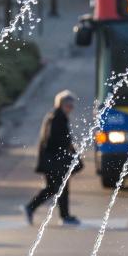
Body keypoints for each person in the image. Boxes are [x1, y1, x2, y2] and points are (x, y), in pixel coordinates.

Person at [26, 90, 82, 225]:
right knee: (61, 186)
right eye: (70, 105)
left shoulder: (57, 116)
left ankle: (30, 207)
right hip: (53, 160)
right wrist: (69, 150)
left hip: (52, 159)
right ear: (62, 104)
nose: (71, 108)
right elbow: (53, 140)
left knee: (53, 187)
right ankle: (65, 216)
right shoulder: (57, 118)